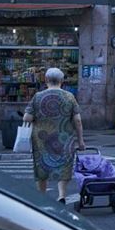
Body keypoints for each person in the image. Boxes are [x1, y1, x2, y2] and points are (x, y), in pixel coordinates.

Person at [22, 67, 85, 205]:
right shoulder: (69, 97)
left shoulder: (38, 96)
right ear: (62, 81)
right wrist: (80, 141)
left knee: (41, 167)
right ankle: (61, 195)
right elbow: (78, 121)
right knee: (64, 165)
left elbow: (27, 118)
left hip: (41, 139)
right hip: (65, 138)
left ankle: (42, 197)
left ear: (46, 80)